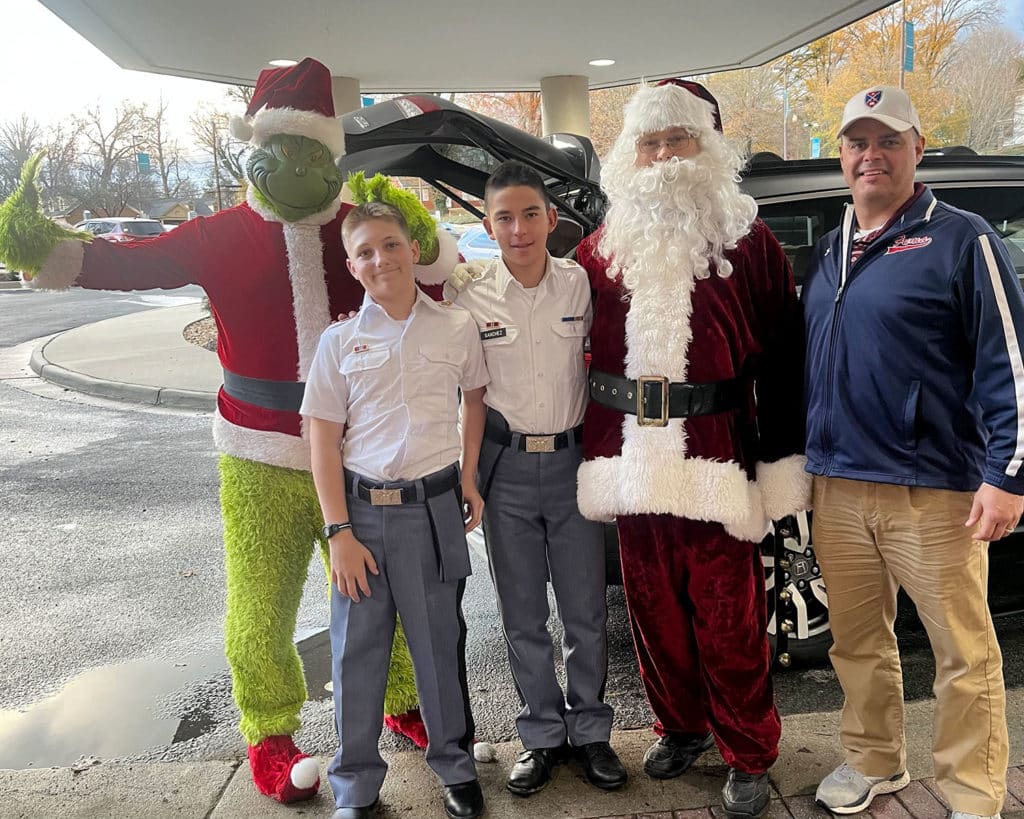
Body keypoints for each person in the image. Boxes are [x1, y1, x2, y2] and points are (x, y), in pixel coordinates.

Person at [0, 58, 452, 803]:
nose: (296, 165)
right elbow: (126, 263)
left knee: (383, 592)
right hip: (258, 456)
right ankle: (270, 732)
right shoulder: (219, 234)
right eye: (282, 147)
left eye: (311, 151)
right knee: (261, 604)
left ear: (330, 154)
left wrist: (421, 237)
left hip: (360, 453)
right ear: (256, 149)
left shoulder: (360, 232)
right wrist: (43, 247)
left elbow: (434, 278)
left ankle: (402, 701)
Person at [575, 79, 809, 819]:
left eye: (678, 139)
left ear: (707, 149)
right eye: (651, 141)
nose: (665, 155)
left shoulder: (751, 242)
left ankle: (749, 751)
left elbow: (785, 362)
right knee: (654, 614)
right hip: (631, 462)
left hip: (717, 455)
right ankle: (682, 725)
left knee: (730, 618)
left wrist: (779, 465)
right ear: (630, 155)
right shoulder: (597, 249)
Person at [803, 85, 1022, 819]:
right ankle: (875, 760)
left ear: (917, 149)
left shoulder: (962, 238)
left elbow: (1009, 363)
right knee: (857, 643)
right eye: (858, 142)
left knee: (963, 653)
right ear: (841, 156)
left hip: (934, 489)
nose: (872, 155)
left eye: (888, 140)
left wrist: (1008, 474)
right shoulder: (830, 249)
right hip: (836, 486)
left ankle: (973, 792)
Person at [301, 202, 488, 819]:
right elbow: (323, 440)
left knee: (439, 645)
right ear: (353, 266)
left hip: (432, 510)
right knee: (357, 652)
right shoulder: (339, 342)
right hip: (361, 517)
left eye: (389, 245)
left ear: (412, 248)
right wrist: (338, 533)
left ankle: (454, 767)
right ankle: (355, 783)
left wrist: (467, 475)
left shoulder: (455, 327)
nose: (379, 259)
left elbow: (476, 401)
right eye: (364, 252)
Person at [445, 160, 626, 797]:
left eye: (529, 214)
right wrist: (468, 474)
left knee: (584, 611)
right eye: (503, 217)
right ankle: (542, 735)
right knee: (521, 615)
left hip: (575, 465)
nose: (518, 229)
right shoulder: (467, 291)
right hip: (508, 471)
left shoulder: (582, 284)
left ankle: (592, 732)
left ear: (551, 219)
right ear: (487, 225)